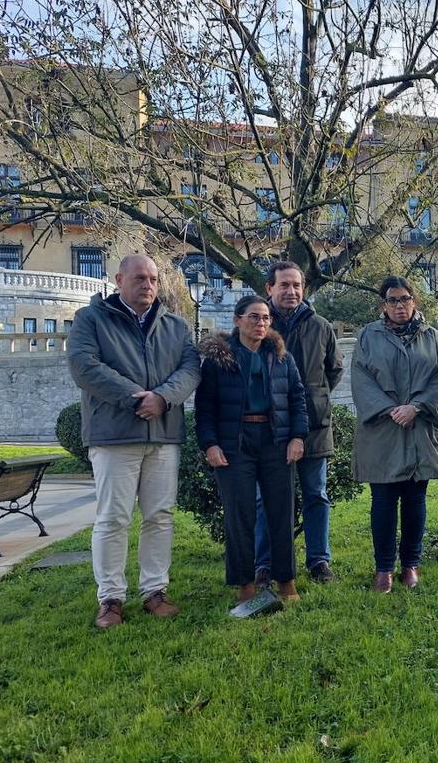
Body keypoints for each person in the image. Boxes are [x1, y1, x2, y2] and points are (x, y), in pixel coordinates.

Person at [67, 254, 200, 630]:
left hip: (164, 434)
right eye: (140, 278)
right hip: (114, 436)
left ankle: (154, 591)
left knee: (160, 516)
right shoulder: (90, 320)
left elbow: (190, 368)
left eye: (154, 278)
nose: (148, 285)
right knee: (113, 518)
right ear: (119, 279)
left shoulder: (175, 326)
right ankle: (110, 599)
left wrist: (163, 398)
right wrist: (136, 398)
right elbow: (84, 366)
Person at [195, 294, 308, 603]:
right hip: (235, 443)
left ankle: (286, 580)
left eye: (266, 318)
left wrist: (298, 436)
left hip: (276, 442)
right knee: (239, 515)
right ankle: (245, 584)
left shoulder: (281, 355)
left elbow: (298, 399)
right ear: (237, 320)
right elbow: (204, 408)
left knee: (281, 514)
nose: (261, 323)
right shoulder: (219, 359)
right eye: (254, 317)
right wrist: (210, 444)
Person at [351, 275, 438, 593]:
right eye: (392, 300)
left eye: (404, 299)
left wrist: (416, 407)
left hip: (419, 429)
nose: (399, 305)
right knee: (382, 500)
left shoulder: (433, 338)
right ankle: (384, 569)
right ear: (383, 305)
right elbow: (361, 378)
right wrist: (391, 409)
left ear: (414, 301)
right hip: (383, 430)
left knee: (415, 500)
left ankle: (411, 564)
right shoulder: (368, 336)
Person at [253, 261, 344, 587]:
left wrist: (314, 399)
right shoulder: (258, 325)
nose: (291, 291)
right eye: (284, 285)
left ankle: (319, 561)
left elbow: (333, 370)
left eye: (297, 285)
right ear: (270, 288)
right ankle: (264, 563)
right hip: (270, 429)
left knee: (316, 495)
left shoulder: (320, 326)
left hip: (314, 429)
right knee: (267, 499)